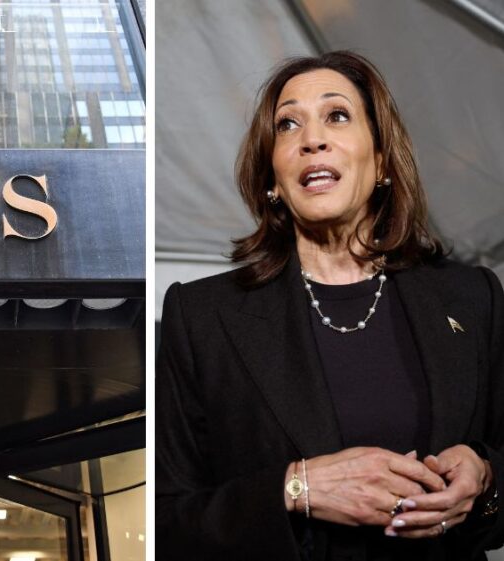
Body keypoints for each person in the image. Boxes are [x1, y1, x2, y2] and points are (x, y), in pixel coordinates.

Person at [156, 51, 504, 559]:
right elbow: (166, 522)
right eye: (287, 125)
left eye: (337, 116)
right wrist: (296, 489)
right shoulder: (203, 317)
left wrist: (486, 477)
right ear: (273, 178)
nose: (311, 139)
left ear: (382, 159)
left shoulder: (472, 298)